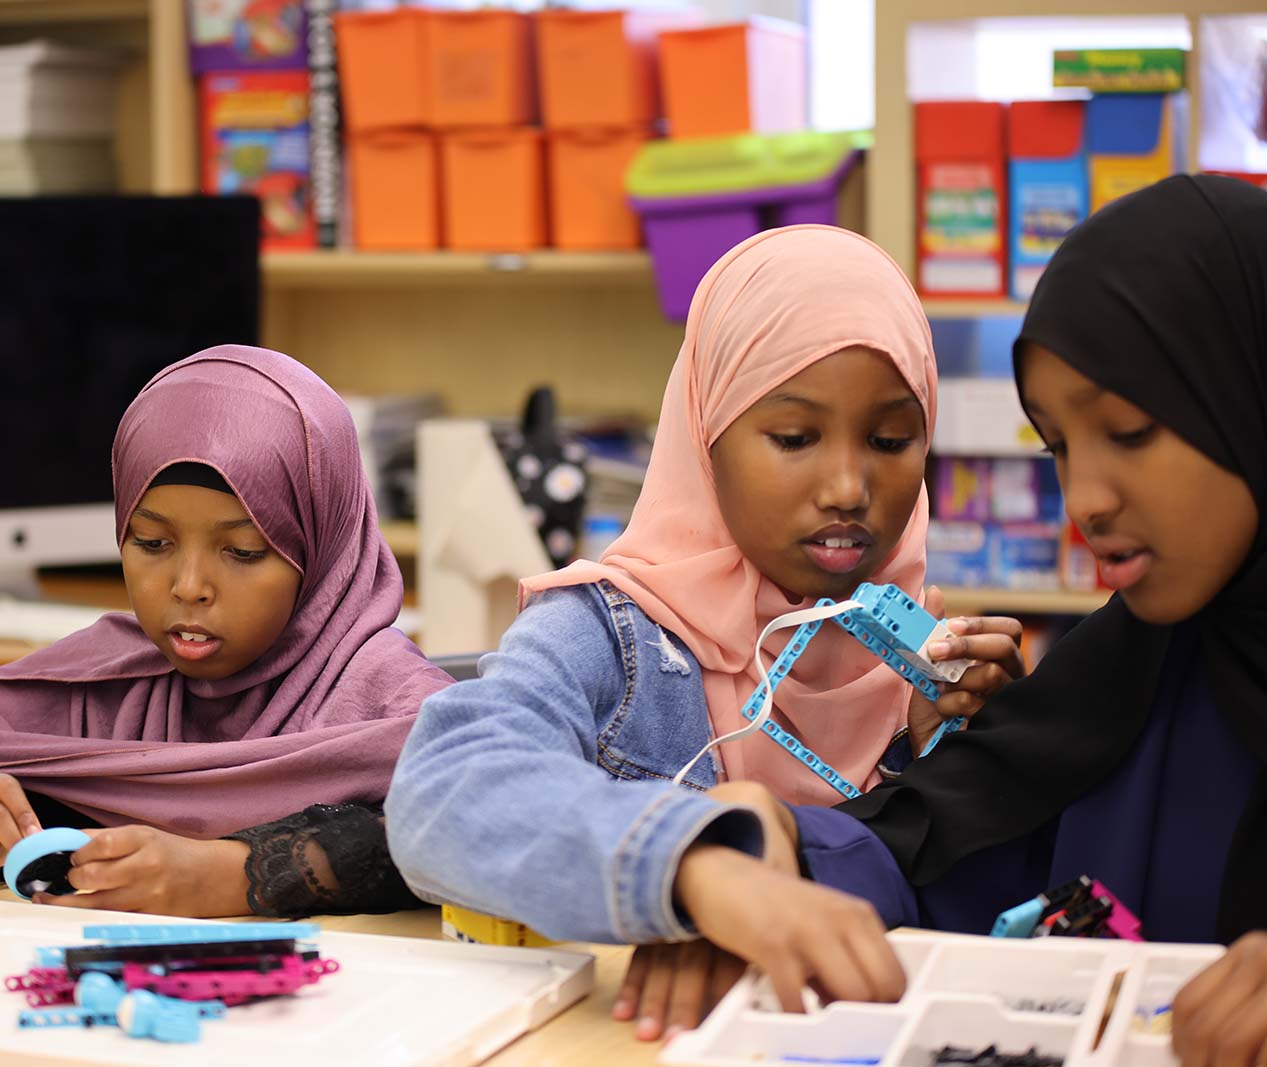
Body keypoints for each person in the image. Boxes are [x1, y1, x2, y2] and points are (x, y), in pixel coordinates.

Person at [385, 225, 1025, 1035]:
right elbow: (444, 792)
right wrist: (694, 862)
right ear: (703, 434)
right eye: (794, 437)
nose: (846, 486)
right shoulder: (612, 629)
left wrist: (960, 756)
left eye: (891, 439)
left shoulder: (921, 650)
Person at [728, 176, 1267, 1067]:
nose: (1084, 501)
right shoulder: (1123, 673)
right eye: (1057, 447)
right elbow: (942, 851)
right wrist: (768, 850)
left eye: (1128, 430)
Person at [0, 345, 452, 918]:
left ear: (321, 549)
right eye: (152, 543)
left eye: (242, 550)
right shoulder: (100, 680)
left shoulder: (398, 704)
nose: (189, 586)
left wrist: (234, 874)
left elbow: (495, 820)